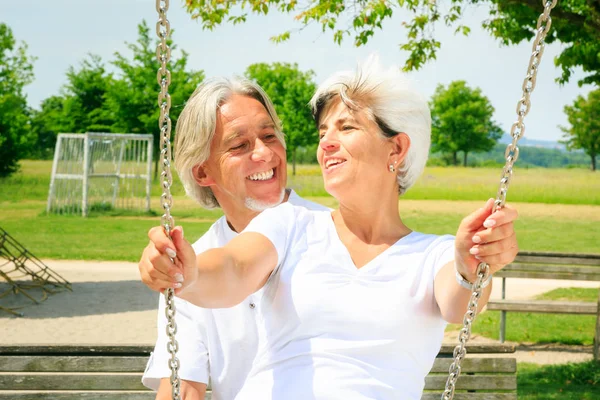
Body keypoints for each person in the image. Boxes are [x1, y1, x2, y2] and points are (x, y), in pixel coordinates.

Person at [145, 56, 519, 399]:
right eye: (323, 131)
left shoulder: (433, 255)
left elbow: (460, 301)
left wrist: (473, 267)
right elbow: (235, 268)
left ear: (396, 149)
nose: (326, 143)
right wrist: (188, 273)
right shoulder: (289, 223)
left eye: (346, 127)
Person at [139, 76, 329, 400]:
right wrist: (179, 273)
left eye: (269, 135)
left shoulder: (333, 232)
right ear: (202, 172)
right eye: (239, 145)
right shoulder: (192, 263)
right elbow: (183, 388)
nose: (264, 153)